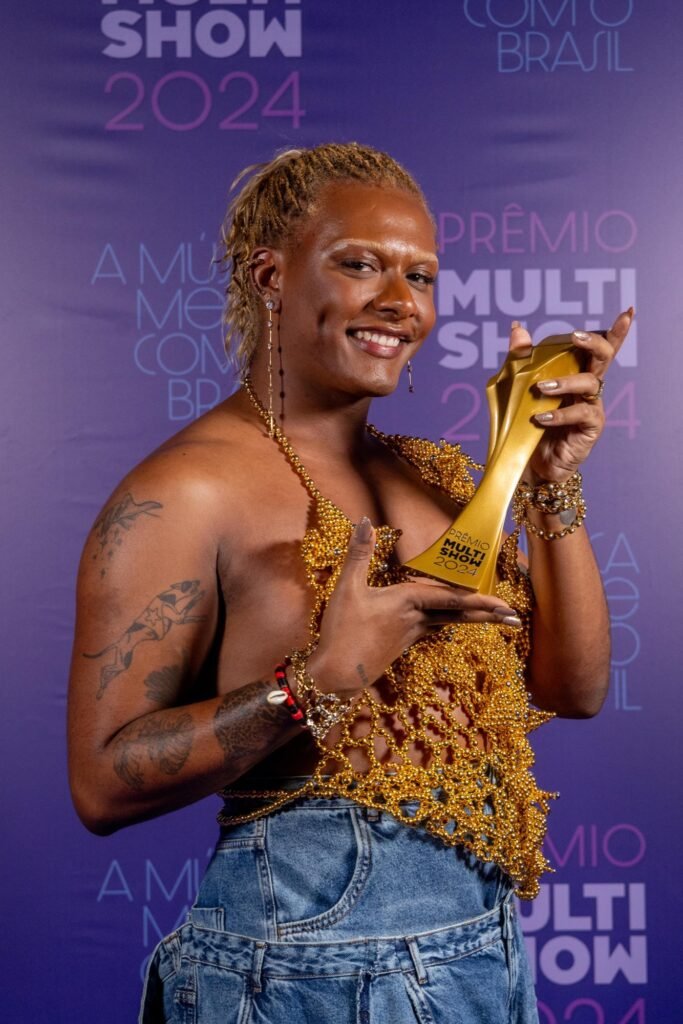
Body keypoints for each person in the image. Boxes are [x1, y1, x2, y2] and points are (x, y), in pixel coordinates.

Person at [67, 142, 632, 1023]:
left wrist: (547, 480)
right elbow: (102, 785)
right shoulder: (185, 491)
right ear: (270, 277)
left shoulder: (436, 476)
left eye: (421, 276)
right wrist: (316, 682)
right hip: (301, 967)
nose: (400, 301)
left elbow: (576, 688)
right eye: (360, 264)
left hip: (482, 954)